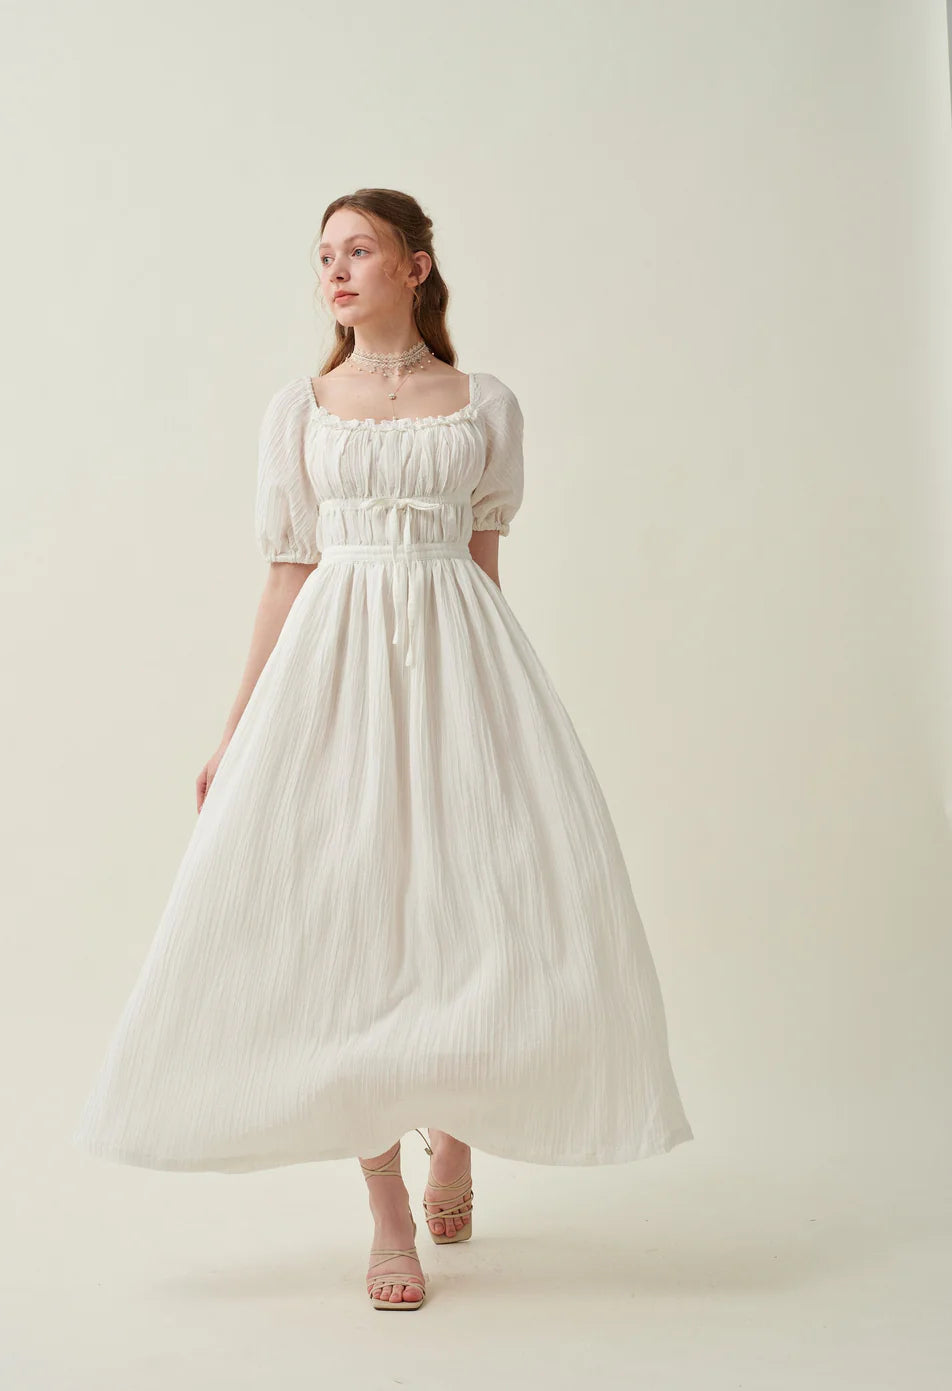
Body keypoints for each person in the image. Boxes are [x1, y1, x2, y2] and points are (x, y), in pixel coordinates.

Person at [73, 187, 694, 1312]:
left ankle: (455, 1132)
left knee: (480, 907)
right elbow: (287, 571)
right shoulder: (302, 409)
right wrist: (235, 730)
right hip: (334, 670)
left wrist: (505, 709)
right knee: (349, 922)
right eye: (323, 255)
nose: (335, 270)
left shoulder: (485, 403)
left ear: (415, 266)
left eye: (358, 250)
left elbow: (485, 565)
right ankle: (386, 1213)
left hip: (463, 664)